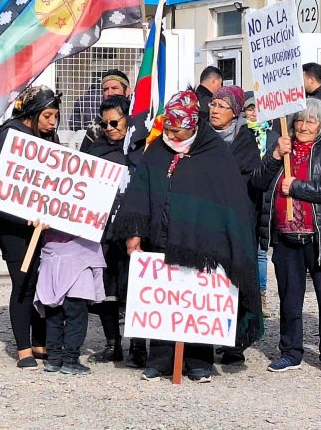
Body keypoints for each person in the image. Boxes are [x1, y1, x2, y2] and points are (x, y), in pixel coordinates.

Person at [114, 90, 262, 383]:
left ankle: (198, 361)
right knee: (166, 302)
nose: (172, 133)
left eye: (177, 128)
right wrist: (134, 234)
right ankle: (160, 360)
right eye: (168, 127)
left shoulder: (215, 154)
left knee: (196, 303)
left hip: (202, 245)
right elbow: (138, 195)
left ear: (193, 124)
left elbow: (229, 201)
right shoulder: (157, 150)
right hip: (161, 240)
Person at [251, 98, 321, 376]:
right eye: (300, 120)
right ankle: (290, 351)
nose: (304, 126)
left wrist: (297, 186)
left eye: (310, 121)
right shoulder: (282, 146)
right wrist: (273, 158)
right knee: (289, 298)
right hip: (286, 235)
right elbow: (258, 182)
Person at [0, 85, 61, 370]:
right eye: (47, 115)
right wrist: (26, 216)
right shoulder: (12, 135)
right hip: (15, 228)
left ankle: (39, 341)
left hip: (43, 227)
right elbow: (8, 186)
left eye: (55, 116)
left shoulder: (45, 137)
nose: (52, 122)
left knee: (41, 285)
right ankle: (23, 348)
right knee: (23, 285)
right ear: (32, 113)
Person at [82, 95, 146, 366]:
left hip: (135, 231)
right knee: (106, 289)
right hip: (104, 231)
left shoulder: (143, 151)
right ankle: (112, 344)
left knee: (137, 289)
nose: (109, 127)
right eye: (104, 123)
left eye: (114, 122)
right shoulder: (96, 151)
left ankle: (139, 347)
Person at [208, 84, 262, 366]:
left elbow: (251, 180)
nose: (214, 110)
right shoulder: (200, 137)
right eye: (213, 105)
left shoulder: (245, 141)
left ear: (235, 113)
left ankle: (234, 342)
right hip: (206, 221)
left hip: (236, 221)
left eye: (221, 106)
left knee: (234, 279)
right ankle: (204, 335)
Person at [36, 228, 106, 376]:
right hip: (77, 285)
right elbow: (97, 265)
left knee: (53, 321)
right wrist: (98, 294)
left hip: (51, 280)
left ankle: (54, 360)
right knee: (76, 322)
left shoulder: (49, 234)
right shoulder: (88, 236)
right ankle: (70, 361)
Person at [243, 92, 272, 314]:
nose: (253, 113)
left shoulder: (274, 136)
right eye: (250, 108)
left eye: (257, 108)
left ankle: (261, 295)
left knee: (261, 252)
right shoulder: (241, 135)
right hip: (245, 197)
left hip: (267, 198)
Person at [79, 69, 131, 152]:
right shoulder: (97, 123)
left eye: (114, 88)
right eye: (105, 89)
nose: (109, 93)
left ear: (127, 91)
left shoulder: (138, 117)